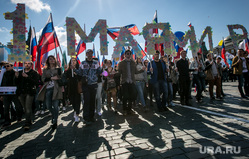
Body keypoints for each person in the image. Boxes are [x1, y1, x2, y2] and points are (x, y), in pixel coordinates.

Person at [75, 49, 102, 125]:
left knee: (92, 101)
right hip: (86, 85)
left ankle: (92, 116)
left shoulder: (96, 63)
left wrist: (107, 73)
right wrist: (74, 69)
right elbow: (80, 72)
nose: (90, 55)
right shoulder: (83, 63)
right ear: (86, 54)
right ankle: (86, 118)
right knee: (86, 101)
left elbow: (100, 71)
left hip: (93, 84)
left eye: (91, 53)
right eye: (88, 53)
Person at [37, 55, 63, 129]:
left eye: (53, 59)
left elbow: (61, 78)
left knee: (55, 106)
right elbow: (43, 79)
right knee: (48, 105)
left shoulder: (58, 69)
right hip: (48, 89)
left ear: (55, 60)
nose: (51, 60)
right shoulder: (45, 70)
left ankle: (55, 121)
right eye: (50, 59)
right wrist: (51, 78)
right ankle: (54, 116)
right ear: (48, 61)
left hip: (56, 89)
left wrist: (58, 76)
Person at [118, 50, 145, 115]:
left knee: (132, 96)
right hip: (125, 82)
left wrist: (142, 70)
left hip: (132, 81)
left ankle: (129, 109)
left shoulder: (133, 63)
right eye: (127, 54)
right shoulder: (121, 63)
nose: (128, 55)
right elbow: (119, 73)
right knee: (125, 96)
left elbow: (135, 72)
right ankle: (124, 109)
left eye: (130, 54)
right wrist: (119, 83)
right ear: (125, 55)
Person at [15, 61, 39, 130]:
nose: (27, 65)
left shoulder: (34, 73)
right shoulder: (19, 72)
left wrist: (27, 77)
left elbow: (36, 83)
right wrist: (16, 77)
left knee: (28, 107)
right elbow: (16, 83)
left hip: (29, 92)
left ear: (31, 65)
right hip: (21, 92)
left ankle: (27, 123)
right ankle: (29, 119)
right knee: (25, 107)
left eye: (29, 63)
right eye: (26, 63)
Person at [1, 63, 23, 128]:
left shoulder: (16, 73)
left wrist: (17, 77)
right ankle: (7, 121)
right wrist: (1, 94)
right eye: (5, 67)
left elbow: (19, 82)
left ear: (12, 66)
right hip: (6, 93)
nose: (6, 67)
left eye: (7, 66)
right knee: (6, 108)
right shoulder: (4, 74)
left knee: (17, 106)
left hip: (14, 93)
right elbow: (2, 83)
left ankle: (19, 117)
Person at [65, 57, 81, 122]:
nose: (73, 62)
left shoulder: (78, 70)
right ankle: (75, 110)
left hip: (77, 87)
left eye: (74, 61)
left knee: (78, 101)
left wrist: (75, 72)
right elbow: (65, 78)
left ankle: (77, 114)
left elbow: (81, 77)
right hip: (70, 88)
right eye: (72, 61)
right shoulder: (68, 70)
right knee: (73, 101)